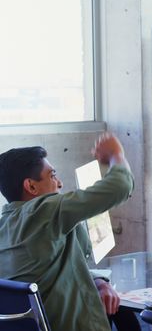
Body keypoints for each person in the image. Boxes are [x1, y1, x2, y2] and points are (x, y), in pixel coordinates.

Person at [0, 133, 134, 331]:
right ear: (31, 186)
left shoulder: (6, 226)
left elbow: (46, 272)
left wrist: (97, 280)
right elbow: (119, 187)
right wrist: (116, 153)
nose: (60, 183)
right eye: (52, 176)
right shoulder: (44, 210)